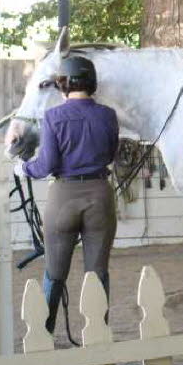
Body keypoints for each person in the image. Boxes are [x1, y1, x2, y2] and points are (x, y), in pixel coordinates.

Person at [15, 55, 119, 334]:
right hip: (99, 195)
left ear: (64, 83)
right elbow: (111, 154)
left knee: (54, 273)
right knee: (97, 273)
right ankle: (97, 335)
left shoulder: (53, 117)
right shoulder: (108, 115)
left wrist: (24, 168)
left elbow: (46, 164)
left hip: (63, 197)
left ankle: (43, 335)